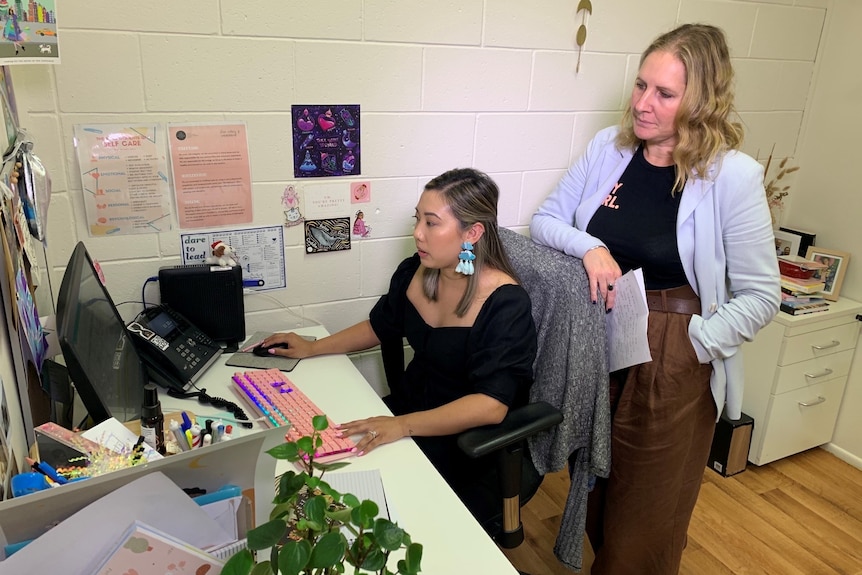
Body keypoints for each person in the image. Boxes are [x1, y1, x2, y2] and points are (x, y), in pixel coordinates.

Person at [530, 24, 779, 574]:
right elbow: (546, 219)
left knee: (647, 509)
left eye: (664, 94)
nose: (642, 104)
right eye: (641, 86)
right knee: (596, 482)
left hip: (673, 351)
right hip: (602, 336)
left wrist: (697, 343)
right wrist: (590, 246)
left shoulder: (731, 177)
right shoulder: (608, 149)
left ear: (701, 100)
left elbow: (763, 295)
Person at [262, 167, 538, 522]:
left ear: (472, 232)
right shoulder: (417, 271)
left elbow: (491, 406)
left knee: (374, 515)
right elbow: (381, 326)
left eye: (431, 223)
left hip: (463, 442)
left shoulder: (505, 304)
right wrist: (313, 347)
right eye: (417, 219)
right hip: (405, 411)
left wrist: (404, 425)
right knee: (322, 474)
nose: (417, 233)